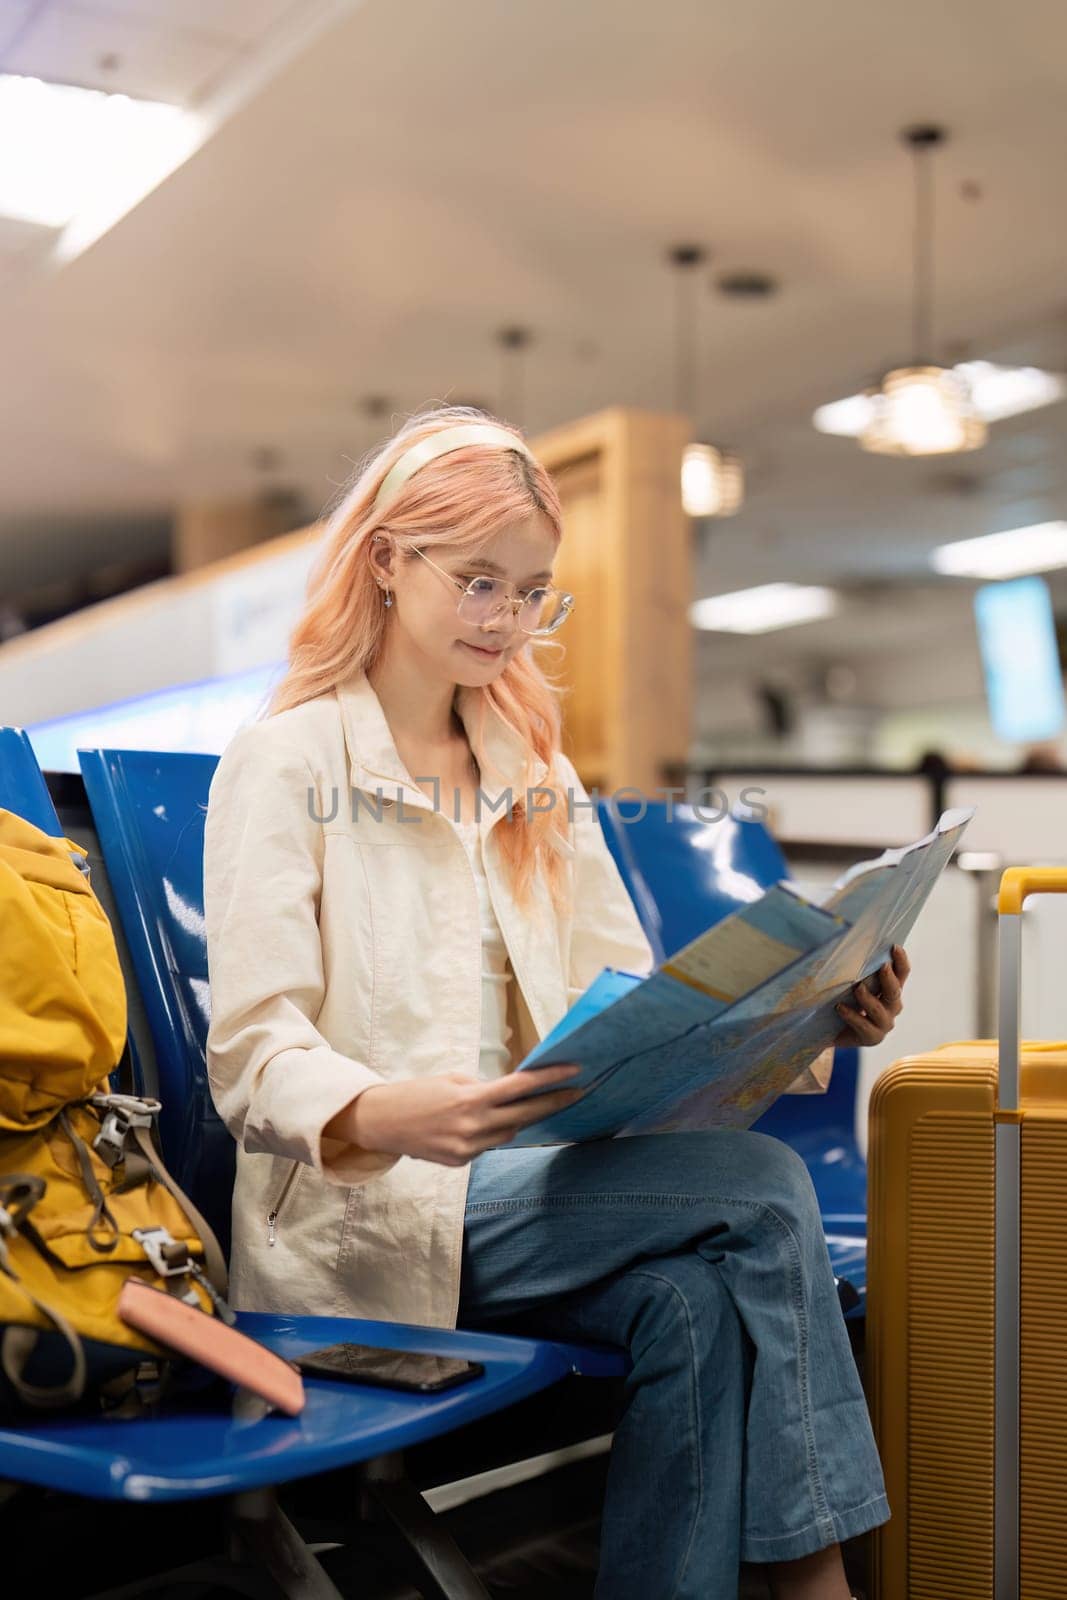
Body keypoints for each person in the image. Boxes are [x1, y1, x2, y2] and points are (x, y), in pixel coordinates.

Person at [203, 405, 909, 1600]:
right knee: (765, 1190)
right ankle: (816, 1580)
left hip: (541, 1191)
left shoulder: (535, 772)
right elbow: (254, 1054)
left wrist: (811, 1024)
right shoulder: (287, 761)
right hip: (379, 1210)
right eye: (478, 583)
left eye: (533, 593)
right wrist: (384, 1111)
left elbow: (635, 1006)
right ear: (384, 559)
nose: (508, 621)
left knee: (687, 1306)